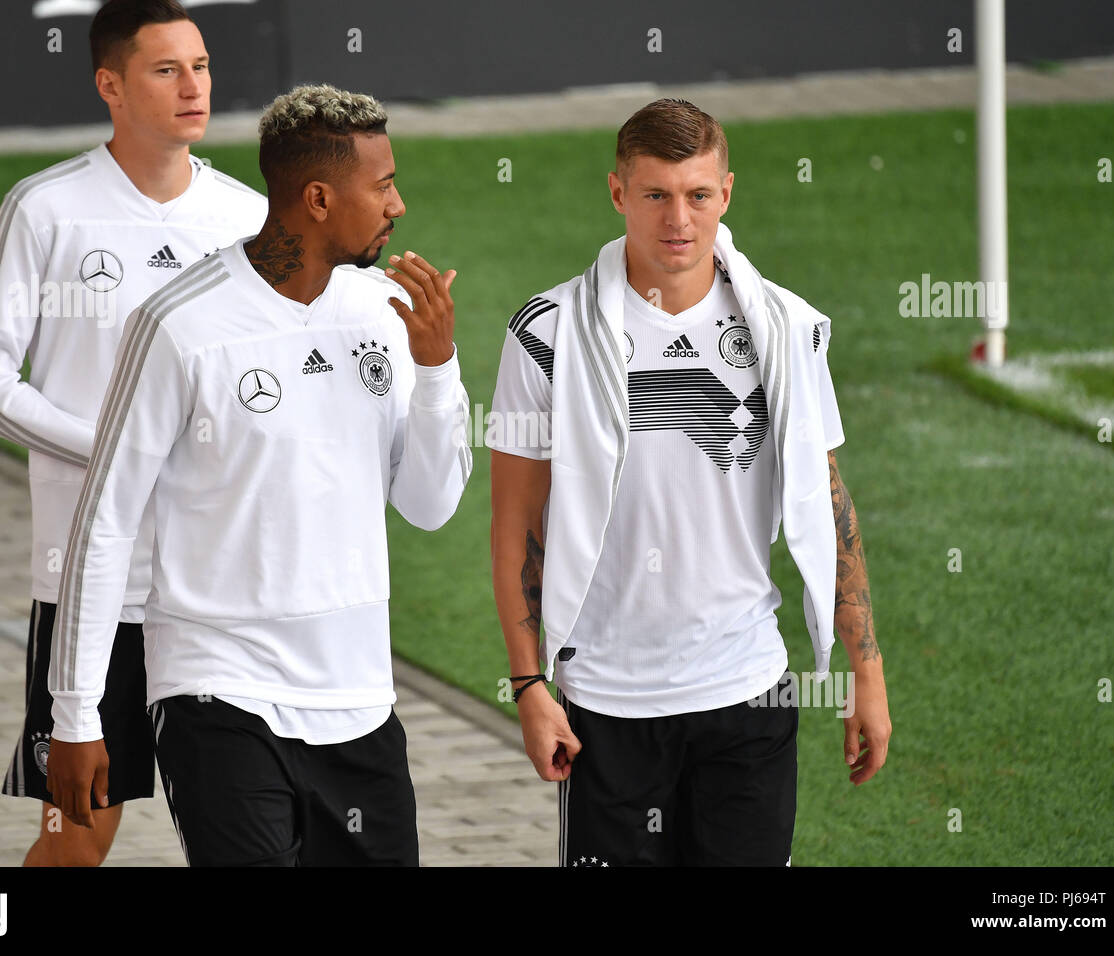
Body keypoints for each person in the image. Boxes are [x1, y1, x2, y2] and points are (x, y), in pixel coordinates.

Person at [44, 83, 472, 867]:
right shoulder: (179, 324)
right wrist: (75, 715)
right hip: (219, 693)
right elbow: (103, 524)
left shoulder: (384, 313)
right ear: (317, 197)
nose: (398, 205)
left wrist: (438, 368)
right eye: (381, 185)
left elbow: (431, 504)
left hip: (358, 701)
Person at [488, 98, 892, 866]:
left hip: (749, 693)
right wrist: (528, 684)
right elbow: (517, 526)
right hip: (606, 702)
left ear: (727, 194)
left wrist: (866, 675)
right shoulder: (545, 335)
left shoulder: (788, 327)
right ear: (618, 194)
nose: (679, 218)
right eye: (656, 195)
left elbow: (827, 500)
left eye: (698, 195)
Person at [0, 0, 267, 866]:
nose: (193, 86)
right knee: (78, 835)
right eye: (166, 70)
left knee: (250, 831)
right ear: (110, 85)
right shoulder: (45, 209)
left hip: (215, 596)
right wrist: (118, 451)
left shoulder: (244, 218)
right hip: (91, 587)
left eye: (200, 66)